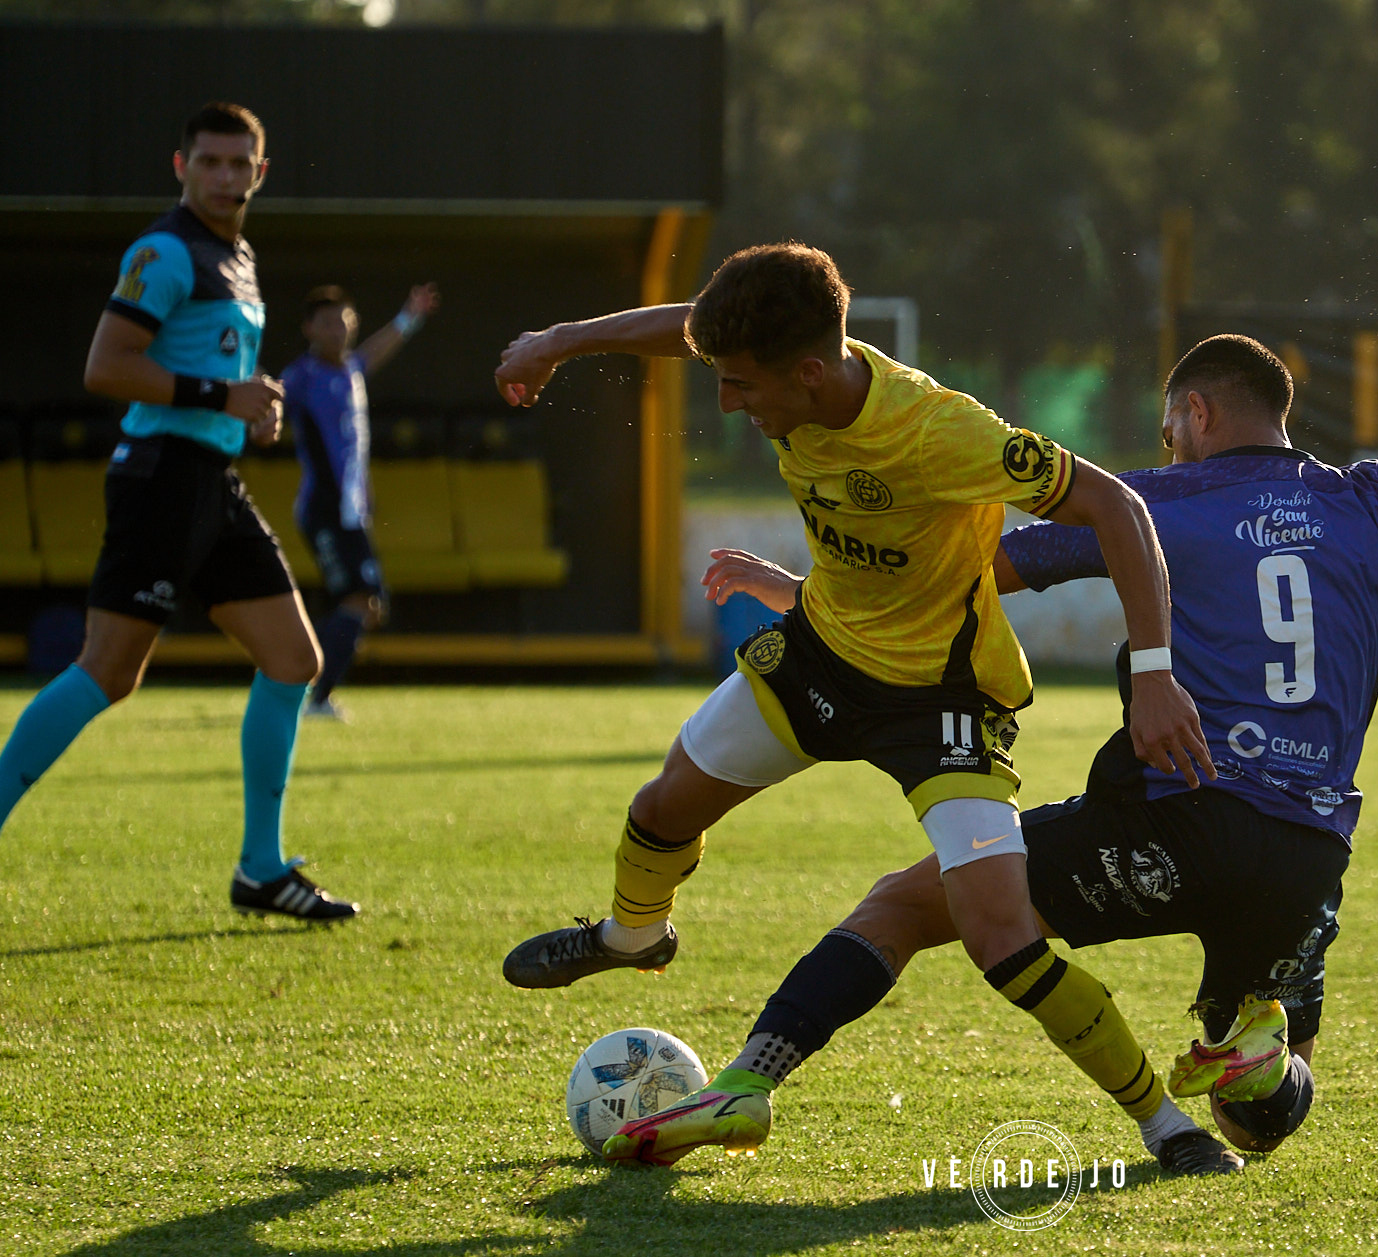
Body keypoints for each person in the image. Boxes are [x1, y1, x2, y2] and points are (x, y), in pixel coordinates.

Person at [609, 333, 1378, 1166]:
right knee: (1259, 1115)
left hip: (1172, 818)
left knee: (900, 905)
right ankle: (1257, 1032)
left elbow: (956, 572)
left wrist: (796, 589)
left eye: (1168, 420)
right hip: (1310, 847)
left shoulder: (1156, 499)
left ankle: (750, 1076)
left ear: (1191, 414)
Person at [492, 243, 1241, 1176]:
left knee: (1001, 934)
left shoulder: (942, 432)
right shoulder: (783, 368)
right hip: (821, 655)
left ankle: (1165, 1124)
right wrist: (559, 341)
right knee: (659, 809)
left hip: (940, 699)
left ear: (808, 371)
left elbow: (1120, 508)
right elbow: (683, 331)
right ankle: (632, 935)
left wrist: (1159, 674)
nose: (727, 402)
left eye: (741, 385)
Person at [0, 102, 356, 921]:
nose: (226, 178)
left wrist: (252, 406)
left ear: (260, 173)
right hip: (158, 478)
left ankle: (261, 870)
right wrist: (219, 395)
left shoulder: (236, 257)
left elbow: (214, 364)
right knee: (108, 671)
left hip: (212, 479)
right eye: (210, 163)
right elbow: (106, 366)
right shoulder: (162, 251)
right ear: (182, 166)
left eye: (240, 165)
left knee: (294, 661)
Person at [281, 281, 440, 719]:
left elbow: (378, 349)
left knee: (368, 606)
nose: (338, 329)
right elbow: (270, 401)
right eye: (327, 322)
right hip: (324, 510)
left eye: (344, 320)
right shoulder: (302, 378)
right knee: (359, 600)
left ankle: (302, 685)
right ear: (309, 328)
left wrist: (410, 316)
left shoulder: (351, 370)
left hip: (350, 512)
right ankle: (309, 694)